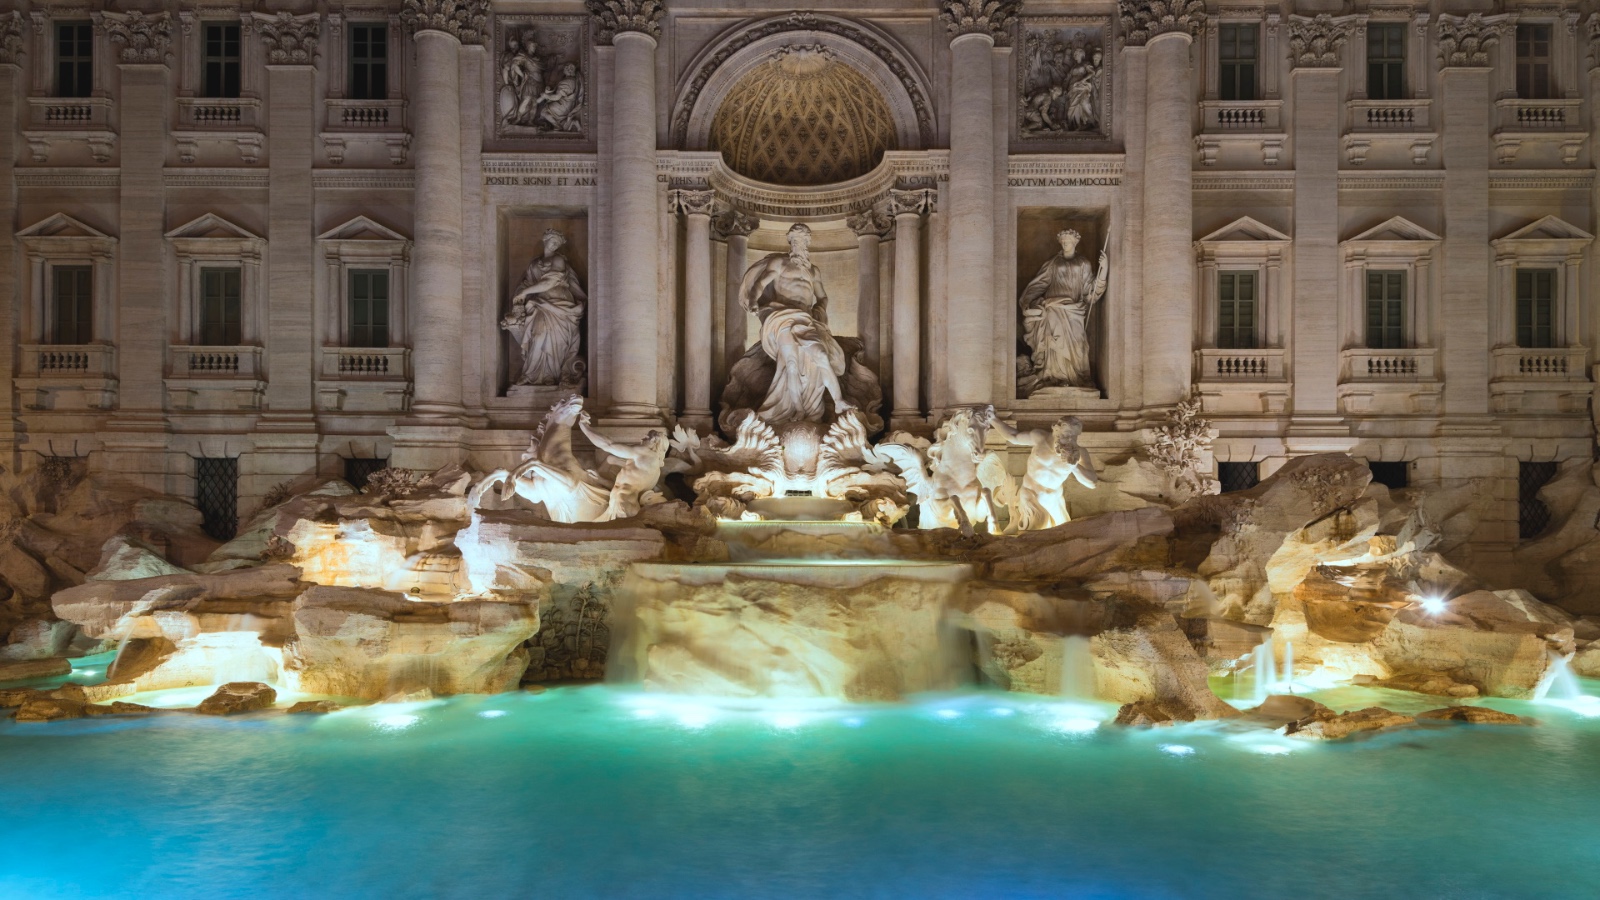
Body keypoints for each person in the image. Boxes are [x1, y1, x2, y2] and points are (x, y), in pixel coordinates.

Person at [736, 223, 853, 426]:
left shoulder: (813, 271)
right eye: (796, 240)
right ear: (790, 242)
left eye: (804, 240)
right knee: (790, 364)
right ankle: (798, 409)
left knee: (821, 355)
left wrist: (820, 310)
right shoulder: (779, 263)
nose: (800, 244)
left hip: (805, 319)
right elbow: (760, 284)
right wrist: (754, 301)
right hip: (781, 317)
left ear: (808, 243)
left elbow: (823, 296)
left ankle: (839, 401)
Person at [1018, 228, 1108, 391]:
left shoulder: (1083, 263)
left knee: (1078, 344)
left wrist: (1104, 270)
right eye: (1063, 242)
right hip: (1053, 307)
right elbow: (1040, 283)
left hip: (1074, 310)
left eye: (1069, 242)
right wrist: (1027, 301)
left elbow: (1090, 292)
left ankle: (1075, 379)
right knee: (1054, 342)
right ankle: (1053, 377)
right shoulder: (1054, 263)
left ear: (1075, 243)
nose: (1066, 244)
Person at [502, 229, 586, 386]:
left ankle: (551, 376)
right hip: (540, 306)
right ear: (545, 240)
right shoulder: (534, 264)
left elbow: (550, 282)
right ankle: (531, 374)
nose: (554, 245)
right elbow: (526, 283)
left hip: (560, 306)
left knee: (557, 342)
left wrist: (526, 292)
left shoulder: (559, 260)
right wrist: (520, 294)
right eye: (552, 241)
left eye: (557, 243)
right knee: (538, 336)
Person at [991, 413, 1098, 531]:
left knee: (1065, 533)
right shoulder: (1040, 438)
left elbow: (1092, 483)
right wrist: (992, 419)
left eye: (1073, 437)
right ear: (1056, 430)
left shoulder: (1079, 453)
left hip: (1053, 499)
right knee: (1036, 532)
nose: (1069, 440)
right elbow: (1013, 436)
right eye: (1066, 435)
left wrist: (1074, 466)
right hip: (1030, 495)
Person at [577, 412, 668, 521]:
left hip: (624, 507)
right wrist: (600, 479)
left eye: (648, 437)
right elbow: (626, 487)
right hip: (619, 505)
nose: (643, 438)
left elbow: (608, 445)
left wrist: (585, 427)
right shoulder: (653, 468)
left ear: (654, 442)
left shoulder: (646, 453)